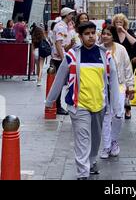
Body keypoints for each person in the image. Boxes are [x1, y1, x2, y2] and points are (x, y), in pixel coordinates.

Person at [45, 21, 120, 180]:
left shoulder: (104, 54)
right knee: (82, 139)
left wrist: (117, 107)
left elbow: (113, 80)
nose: (91, 36)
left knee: (96, 138)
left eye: (93, 32)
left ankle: (91, 161)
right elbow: (59, 78)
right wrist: (50, 101)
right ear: (80, 36)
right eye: (87, 33)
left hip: (99, 104)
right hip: (78, 105)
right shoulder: (72, 54)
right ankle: (82, 173)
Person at [100, 25, 134, 159]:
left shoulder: (120, 49)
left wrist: (130, 86)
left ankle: (114, 140)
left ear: (113, 36)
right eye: (104, 34)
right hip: (102, 87)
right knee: (106, 116)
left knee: (118, 114)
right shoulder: (98, 49)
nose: (105, 36)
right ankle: (106, 145)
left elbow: (127, 67)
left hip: (119, 85)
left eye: (108, 34)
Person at [51, 7, 76, 115]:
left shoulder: (65, 26)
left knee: (61, 83)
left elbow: (63, 44)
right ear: (66, 15)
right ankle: (57, 105)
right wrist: (63, 59)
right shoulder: (61, 27)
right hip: (59, 58)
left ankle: (57, 105)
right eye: (71, 14)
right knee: (59, 83)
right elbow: (58, 43)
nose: (72, 16)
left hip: (62, 57)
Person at [112, 14, 136, 119]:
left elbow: (134, 42)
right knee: (118, 84)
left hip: (128, 61)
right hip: (115, 61)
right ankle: (117, 106)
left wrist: (124, 31)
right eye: (117, 22)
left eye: (120, 22)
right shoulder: (112, 33)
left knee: (128, 84)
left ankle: (128, 108)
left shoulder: (129, 32)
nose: (118, 24)